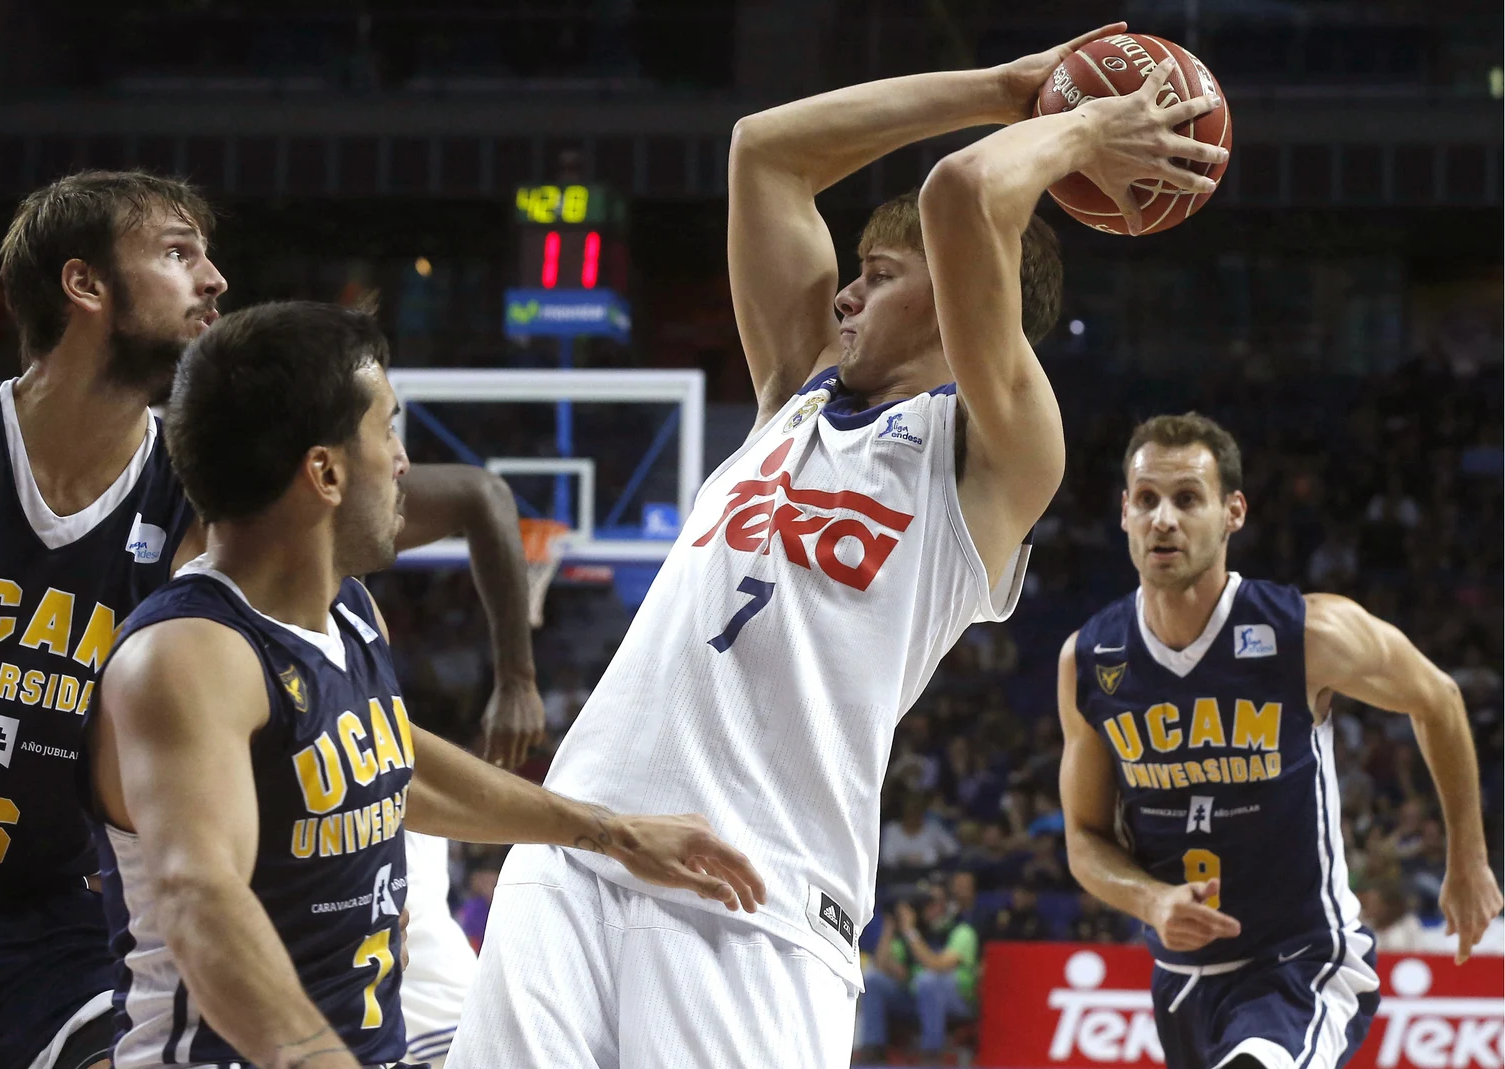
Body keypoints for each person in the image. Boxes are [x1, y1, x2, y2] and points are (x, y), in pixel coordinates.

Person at [449, 23, 1224, 1067]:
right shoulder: (792, 395)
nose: (846, 293)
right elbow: (762, 151)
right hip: (577, 844)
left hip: (752, 898)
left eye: (878, 271)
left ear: (956, 301)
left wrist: (1079, 126)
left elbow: (961, 197)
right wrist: (1004, 86)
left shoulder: (996, 453)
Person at [0, 169, 543, 1069]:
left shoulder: (208, 517)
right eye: (178, 254)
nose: (215, 281)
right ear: (84, 285)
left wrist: (589, 825)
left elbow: (360, 727)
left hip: (64, 933)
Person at [86, 301, 765, 1069]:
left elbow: (393, 763)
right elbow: (198, 896)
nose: (403, 460)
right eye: (388, 429)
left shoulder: (348, 612)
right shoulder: (188, 654)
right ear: (326, 470)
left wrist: (611, 831)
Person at [1057, 413, 1504, 1069]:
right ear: (1124, 511)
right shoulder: (1090, 659)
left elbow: (1437, 697)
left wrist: (1468, 859)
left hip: (1300, 963)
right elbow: (1084, 839)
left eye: (1187, 499)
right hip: (1182, 981)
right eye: (1146, 499)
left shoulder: (1305, 631)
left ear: (1232, 511)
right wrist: (1151, 899)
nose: (1163, 519)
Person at [857, 882, 979, 1064]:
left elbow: (936, 965)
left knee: (928, 981)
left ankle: (932, 1051)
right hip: (916, 997)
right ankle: (874, 1047)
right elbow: (882, 964)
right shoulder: (915, 934)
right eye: (926, 903)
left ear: (949, 905)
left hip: (957, 1000)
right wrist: (890, 926)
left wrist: (909, 930)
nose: (930, 908)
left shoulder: (962, 931)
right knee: (873, 980)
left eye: (936, 902)